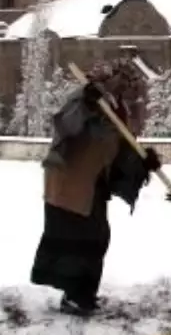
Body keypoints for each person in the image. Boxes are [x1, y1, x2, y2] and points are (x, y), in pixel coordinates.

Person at [32, 58, 162, 317]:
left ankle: (84, 294)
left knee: (97, 238)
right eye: (125, 84)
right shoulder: (84, 96)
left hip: (94, 183)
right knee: (78, 240)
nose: (131, 90)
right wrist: (88, 105)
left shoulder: (118, 109)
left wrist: (144, 162)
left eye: (132, 86)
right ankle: (75, 296)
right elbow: (65, 125)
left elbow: (120, 150)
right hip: (69, 181)